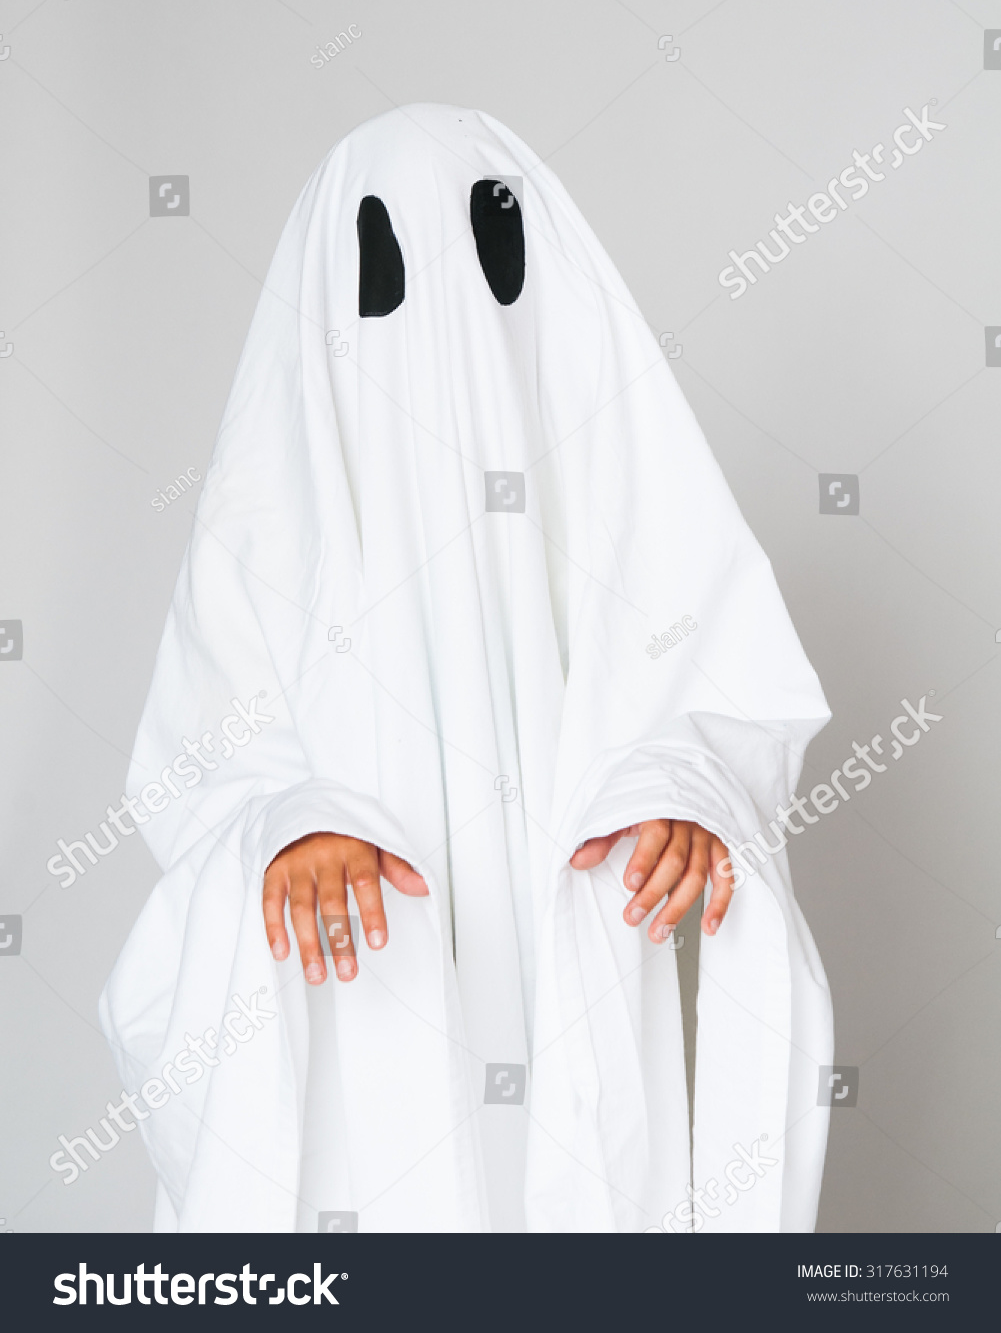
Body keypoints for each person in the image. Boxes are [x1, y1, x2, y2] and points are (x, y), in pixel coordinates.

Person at [101, 104, 832, 1233]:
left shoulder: (618, 490)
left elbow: (719, 696)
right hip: (359, 1024)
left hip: (571, 1011)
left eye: (489, 252)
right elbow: (202, 781)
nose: (442, 330)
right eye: (385, 263)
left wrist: (681, 796)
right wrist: (288, 829)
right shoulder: (259, 532)